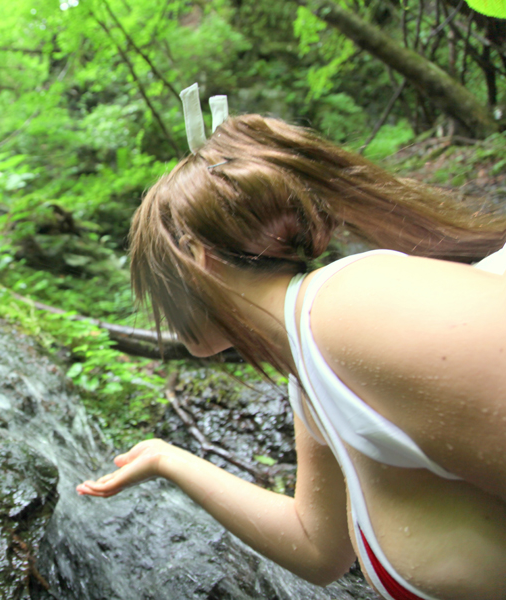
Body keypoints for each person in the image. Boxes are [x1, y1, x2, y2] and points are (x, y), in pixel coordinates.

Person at [76, 114, 506, 600]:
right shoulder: (312, 372)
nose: (159, 309)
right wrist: (166, 459)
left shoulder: (352, 313)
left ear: (196, 255)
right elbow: (317, 549)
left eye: (157, 284)